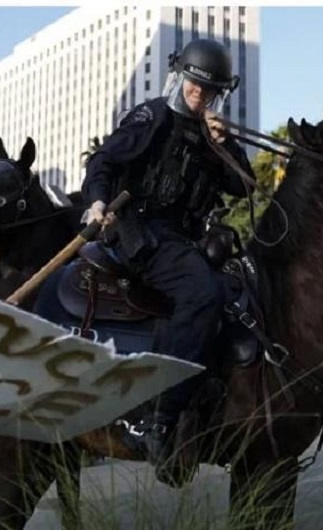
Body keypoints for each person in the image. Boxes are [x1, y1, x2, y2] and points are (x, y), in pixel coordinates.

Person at [81, 38, 254, 462]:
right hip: (143, 231)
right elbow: (102, 161)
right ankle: (157, 415)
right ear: (179, 78)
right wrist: (98, 201)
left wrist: (226, 144)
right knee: (202, 294)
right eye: (196, 88)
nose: (201, 98)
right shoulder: (152, 116)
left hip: (188, 238)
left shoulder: (212, 134)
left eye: (210, 92)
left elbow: (245, 185)